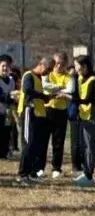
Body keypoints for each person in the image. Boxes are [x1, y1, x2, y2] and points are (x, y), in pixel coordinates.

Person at [16, 56, 52, 185]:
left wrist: (46, 98)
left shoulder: (39, 78)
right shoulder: (29, 75)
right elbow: (27, 90)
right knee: (28, 143)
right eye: (48, 69)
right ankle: (22, 175)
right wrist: (43, 96)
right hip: (28, 113)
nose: (48, 73)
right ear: (42, 65)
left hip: (38, 114)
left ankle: (31, 173)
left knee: (36, 145)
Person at [70, 55, 95, 187]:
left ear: (84, 66)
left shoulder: (93, 81)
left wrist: (71, 99)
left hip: (92, 116)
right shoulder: (80, 78)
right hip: (84, 116)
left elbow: (89, 99)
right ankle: (85, 171)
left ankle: (89, 175)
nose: (75, 68)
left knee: (89, 146)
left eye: (77, 65)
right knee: (83, 145)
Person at [44, 53, 75, 178]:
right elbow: (45, 88)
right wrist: (60, 89)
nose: (59, 66)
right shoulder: (48, 74)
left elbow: (70, 90)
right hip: (47, 109)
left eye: (62, 64)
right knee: (43, 140)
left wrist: (56, 91)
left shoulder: (68, 77)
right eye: (57, 63)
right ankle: (39, 167)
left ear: (66, 65)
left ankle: (56, 168)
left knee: (58, 141)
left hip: (61, 111)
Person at [0, 56, 15, 160]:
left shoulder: (11, 81)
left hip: (8, 112)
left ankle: (4, 153)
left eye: (7, 66)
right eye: (3, 66)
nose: (5, 68)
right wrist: (10, 96)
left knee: (7, 132)